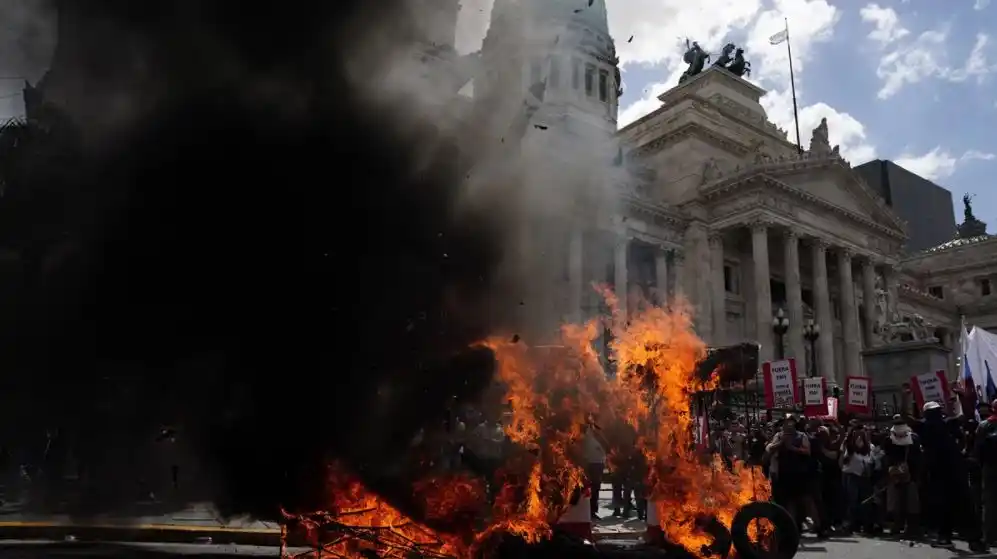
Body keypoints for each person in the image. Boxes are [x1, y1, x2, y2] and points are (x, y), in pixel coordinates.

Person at [905, 394, 986, 552]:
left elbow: (906, 417)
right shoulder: (948, 423)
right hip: (955, 470)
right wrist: (962, 397)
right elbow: (966, 415)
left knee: (943, 505)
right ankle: (974, 540)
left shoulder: (923, 426)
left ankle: (946, 537)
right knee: (964, 505)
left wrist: (905, 398)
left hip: (937, 472)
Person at [765, 415, 811, 530]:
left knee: (798, 501)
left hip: (798, 474)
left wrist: (793, 448)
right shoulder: (779, 436)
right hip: (782, 473)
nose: (788, 425)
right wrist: (781, 443)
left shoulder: (802, 436)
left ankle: (798, 524)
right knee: (783, 501)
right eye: (786, 423)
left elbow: (807, 451)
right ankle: (785, 526)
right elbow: (770, 449)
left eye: (791, 422)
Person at [882, 414, 921, 538]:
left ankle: (910, 527)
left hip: (910, 475)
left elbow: (917, 457)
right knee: (897, 502)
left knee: (911, 503)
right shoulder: (889, 439)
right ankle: (898, 526)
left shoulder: (913, 438)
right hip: (896, 474)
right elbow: (887, 456)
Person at [841, 427, 875, 534]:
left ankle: (866, 525)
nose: (859, 437)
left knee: (865, 501)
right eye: (857, 434)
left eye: (862, 434)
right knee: (853, 501)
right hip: (852, 476)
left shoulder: (869, 448)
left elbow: (871, 462)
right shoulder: (849, 447)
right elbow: (844, 461)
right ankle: (852, 525)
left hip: (864, 478)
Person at [974, 399, 997, 546]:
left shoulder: (983, 425)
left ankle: (990, 537)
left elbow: (978, 450)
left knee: (990, 504)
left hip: (990, 468)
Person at [582, 423, 607, 521]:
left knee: (596, 488)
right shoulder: (587, 438)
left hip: (598, 464)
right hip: (591, 464)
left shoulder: (598, 438)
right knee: (591, 488)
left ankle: (593, 511)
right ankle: (590, 511)